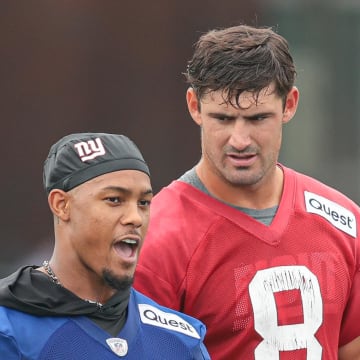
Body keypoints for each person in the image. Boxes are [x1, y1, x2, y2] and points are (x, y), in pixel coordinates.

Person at [133, 24, 360, 360]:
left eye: (257, 118)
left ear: (289, 105)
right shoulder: (156, 237)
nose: (240, 140)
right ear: (194, 106)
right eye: (223, 118)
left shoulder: (344, 221)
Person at [0, 132, 210, 360]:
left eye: (144, 203)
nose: (135, 218)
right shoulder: (8, 329)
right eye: (114, 199)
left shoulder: (182, 339)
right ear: (61, 205)